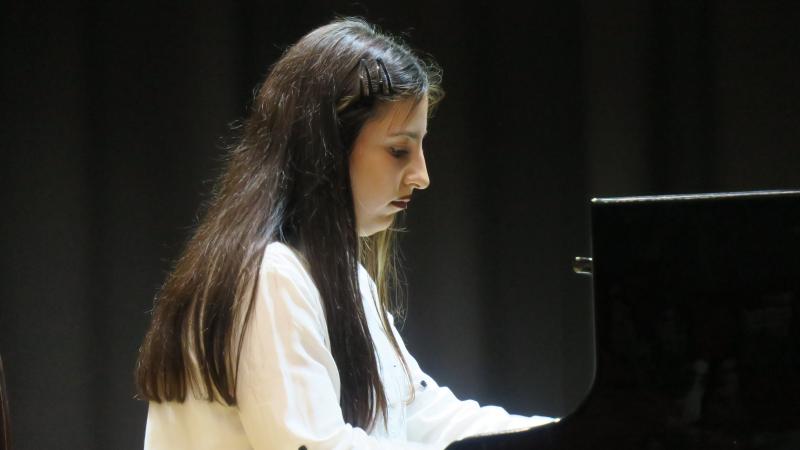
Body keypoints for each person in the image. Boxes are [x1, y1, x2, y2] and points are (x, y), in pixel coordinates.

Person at [135, 17, 555, 450]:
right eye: (399, 150)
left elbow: (425, 417)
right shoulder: (268, 277)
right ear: (327, 147)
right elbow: (314, 446)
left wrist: (565, 435)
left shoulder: (336, 276)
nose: (422, 175)